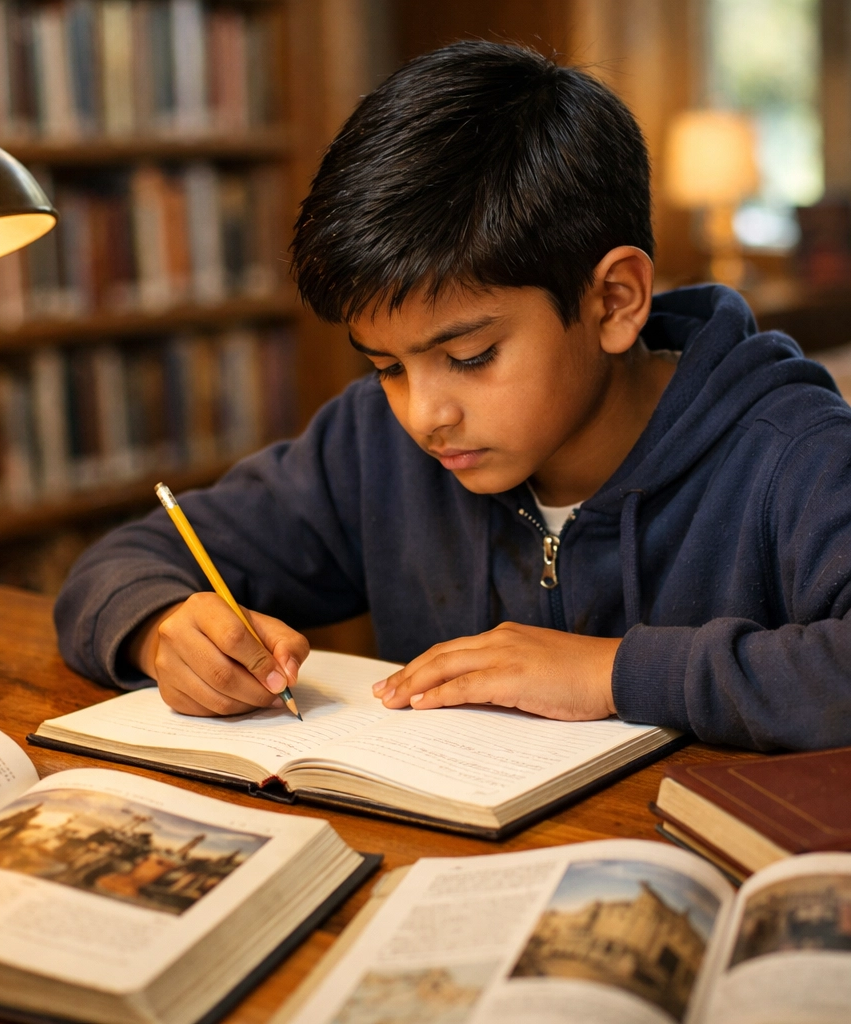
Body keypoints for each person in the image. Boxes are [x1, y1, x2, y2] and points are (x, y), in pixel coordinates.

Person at [55, 41, 851, 750]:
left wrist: (614, 674)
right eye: (387, 366)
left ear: (613, 301)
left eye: (470, 356)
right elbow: (124, 561)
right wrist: (162, 632)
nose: (424, 416)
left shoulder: (790, 450)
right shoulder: (371, 446)